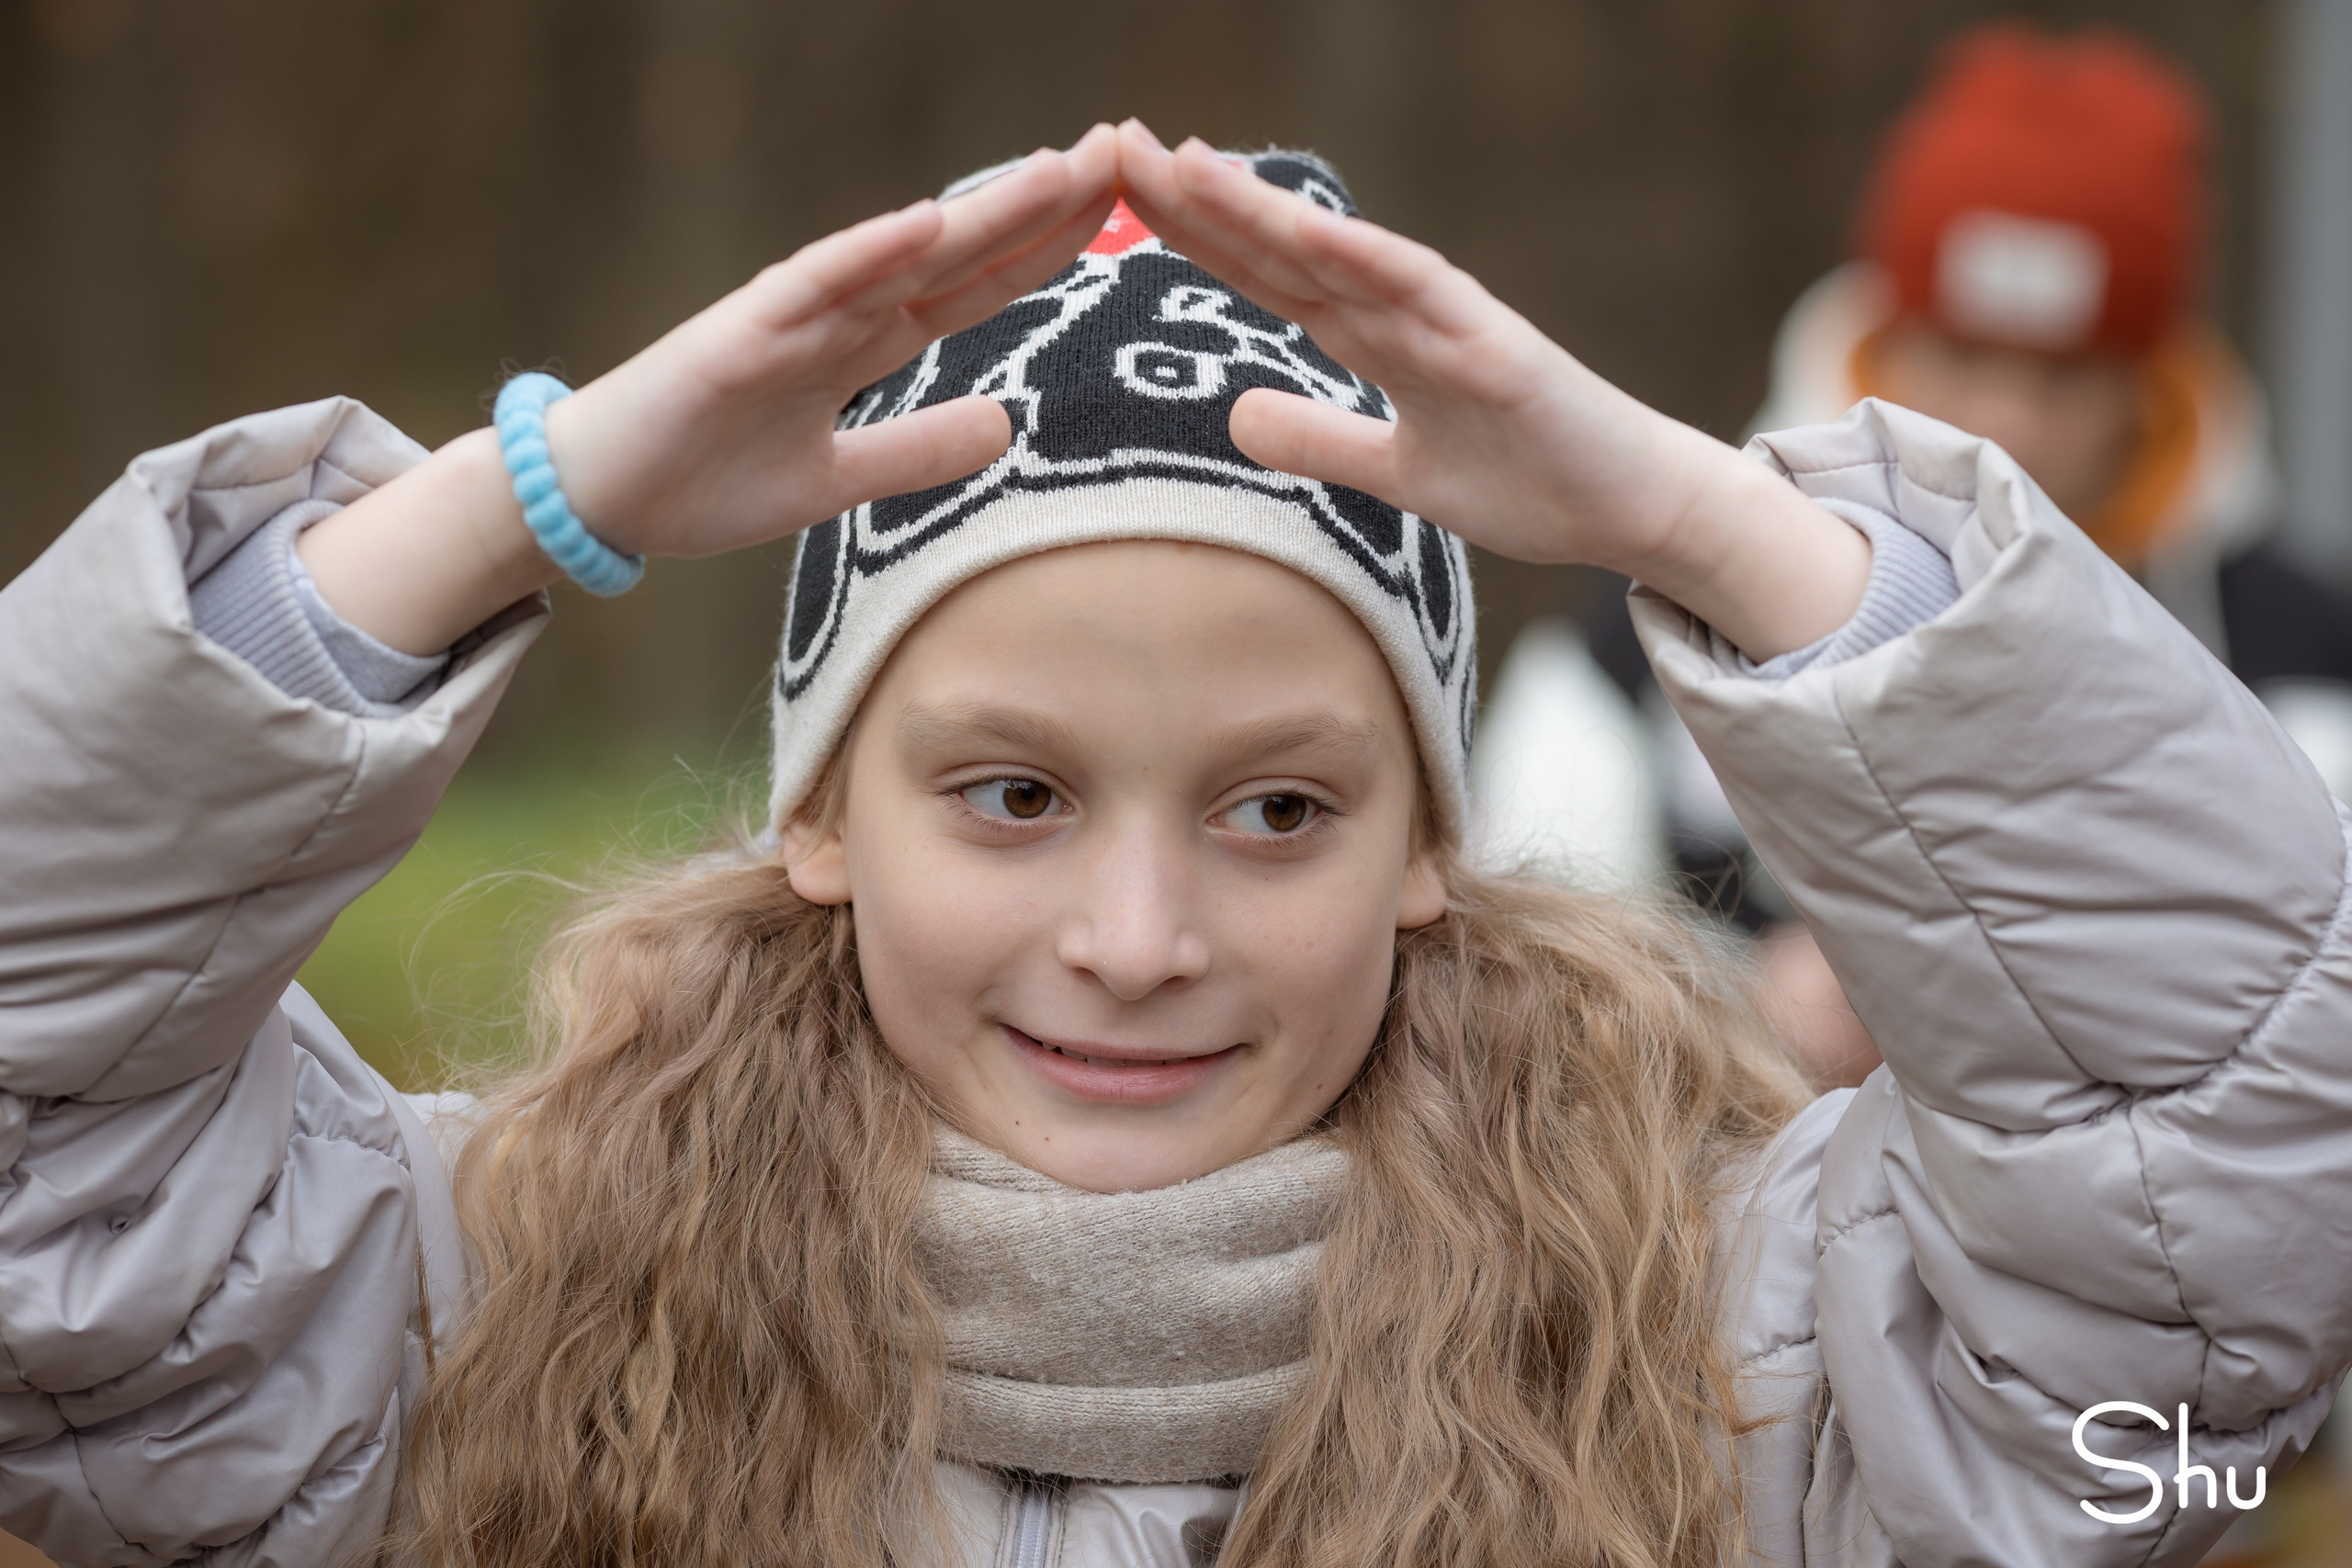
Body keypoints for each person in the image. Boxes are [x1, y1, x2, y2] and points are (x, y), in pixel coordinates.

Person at [2, 123, 2348, 1568]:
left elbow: (2214, 1212)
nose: (1134, 937)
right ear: (817, 810)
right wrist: (516, 507)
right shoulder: (451, 1313)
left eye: (1280, 807)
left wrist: (1693, 518)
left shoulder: (1744, 1370)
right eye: (1009, 792)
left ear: (1427, 840)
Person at [1476, 23, 2352, 1091]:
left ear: (2146, 383)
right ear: (1882, 334)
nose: (2001, 425)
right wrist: (1742, 1015)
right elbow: (1517, 972)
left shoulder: (2301, 658)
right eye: (1963, 354)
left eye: (2062, 376)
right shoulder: (1637, 636)